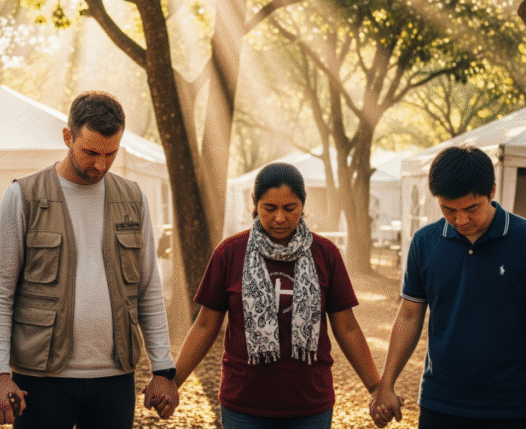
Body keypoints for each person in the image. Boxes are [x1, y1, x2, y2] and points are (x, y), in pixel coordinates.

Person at [0, 91, 176, 428]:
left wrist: (163, 370)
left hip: (115, 380)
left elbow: (149, 290)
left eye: (111, 154)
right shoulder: (24, 196)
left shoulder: (133, 199)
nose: (100, 164)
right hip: (40, 378)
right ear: (68, 137)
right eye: (90, 152)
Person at [155, 162, 381, 428]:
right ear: (255, 203)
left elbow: (348, 328)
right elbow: (205, 325)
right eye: (270, 208)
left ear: (303, 204)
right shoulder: (230, 253)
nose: (280, 218)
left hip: (309, 406)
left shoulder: (325, 253)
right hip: (244, 406)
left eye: (290, 208)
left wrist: (376, 387)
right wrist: (173, 382)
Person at [369, 145, 526, 429]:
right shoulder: (425, 242)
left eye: (471, 208)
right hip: (439, 404)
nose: (460, 220)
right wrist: (386, 384)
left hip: (509, 407)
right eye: (448, 209)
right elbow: (409, 316)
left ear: (492, 191)